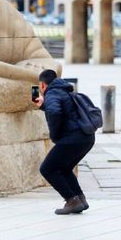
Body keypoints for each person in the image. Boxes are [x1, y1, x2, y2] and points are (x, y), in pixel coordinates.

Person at [34, 69, 95, 215]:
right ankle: (80, 199)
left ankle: (71, 201)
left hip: (73, 139)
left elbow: (55, 112)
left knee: (47, 169)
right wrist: (43, 105)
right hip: (87, 137)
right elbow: (64, 109)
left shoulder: (52, 93)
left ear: (42, 85)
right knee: (64, 168)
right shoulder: (63, 90)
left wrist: (55, 136)